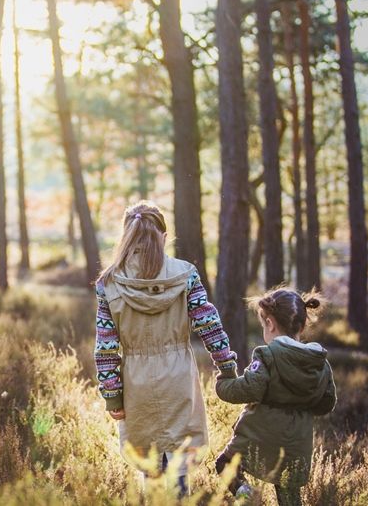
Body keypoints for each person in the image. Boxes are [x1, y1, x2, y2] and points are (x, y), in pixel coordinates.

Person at [94, 201, 238, 497]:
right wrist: (227, 366)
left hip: (137, 384)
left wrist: (112, 396)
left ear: (127, 236)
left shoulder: (109, 282)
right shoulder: (185, 274)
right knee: (180, 463)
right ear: (163, 236)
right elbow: (208, 323)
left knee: (150, 465)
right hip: (178, 379)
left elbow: (106, 348)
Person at [214, 286, 337, 506]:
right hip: (297, 443)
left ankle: (247, 495)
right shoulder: (319, 363)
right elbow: (326, 404)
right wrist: (301, 403)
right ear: (301, 324)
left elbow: (249, 389)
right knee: (289, 495)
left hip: (260, 436)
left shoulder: (267, 355)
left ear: (269, 323)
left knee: (225, 465)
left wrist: (224, 381)